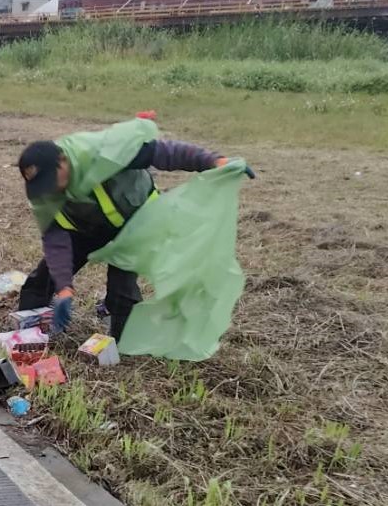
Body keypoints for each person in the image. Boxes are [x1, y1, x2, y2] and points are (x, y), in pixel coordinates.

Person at [16, 115, 252, 340]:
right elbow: (55, 239)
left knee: (122, 291)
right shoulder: (43, 191)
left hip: (135, 225)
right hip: (85, 229)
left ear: (63, 162)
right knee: (40, 281)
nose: (49, 190)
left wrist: (213, 161)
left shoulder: (101, 153)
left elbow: (163, 152)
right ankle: (26, 335)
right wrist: (64, 288)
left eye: (50, 180)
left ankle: (121, 344)